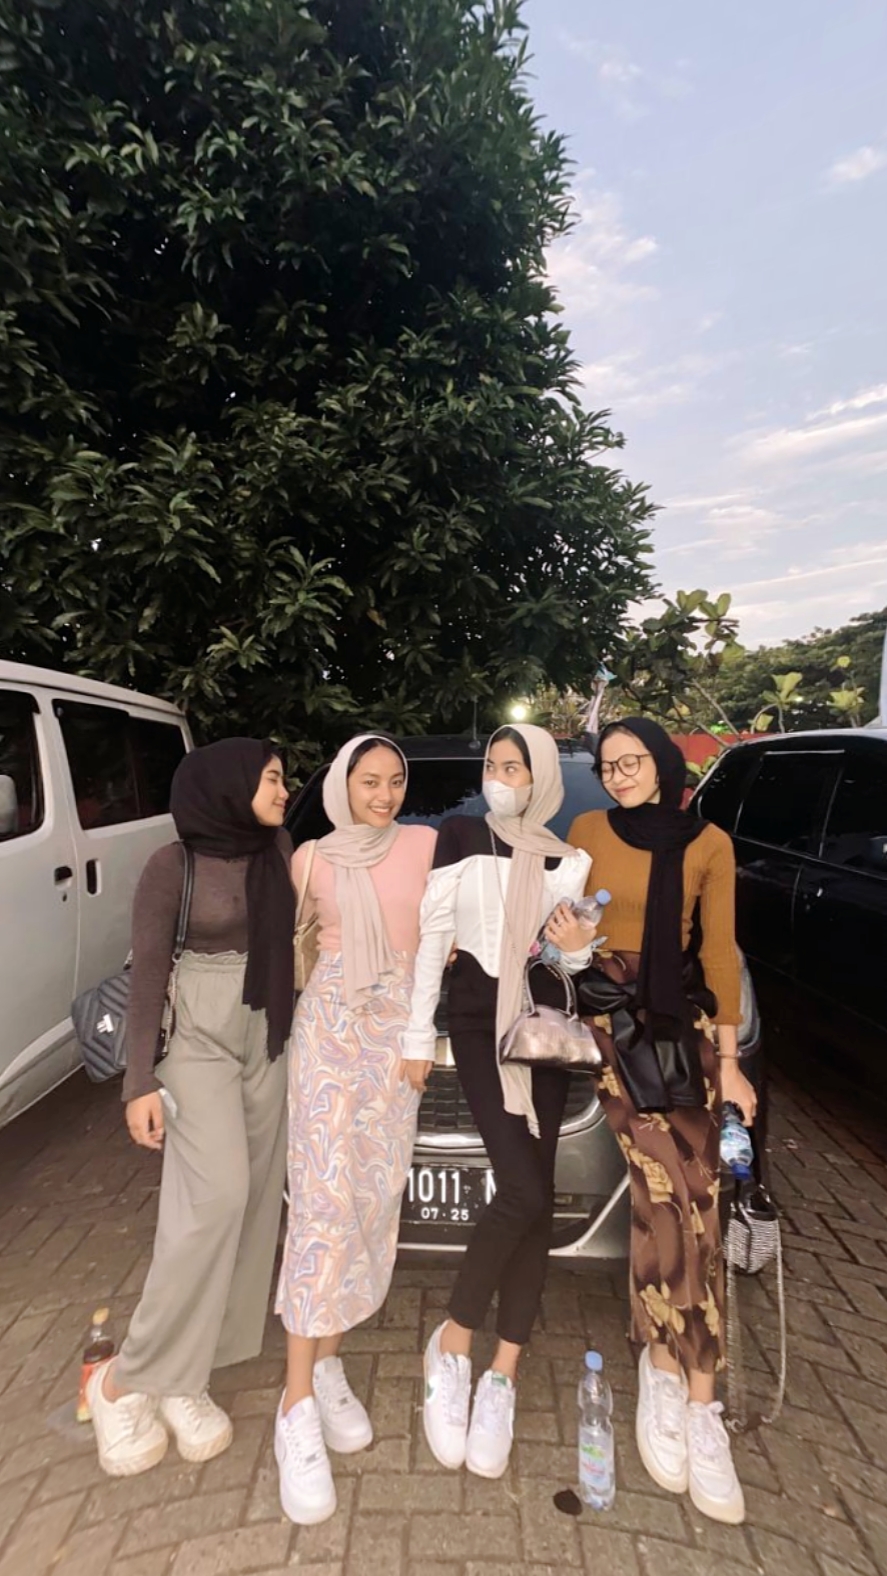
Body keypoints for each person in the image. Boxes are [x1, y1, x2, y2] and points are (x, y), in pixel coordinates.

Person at [567, 717, 757, 1527]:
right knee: (665, 1186)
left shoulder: (709, 843)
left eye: (631, 762)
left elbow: (718, 952)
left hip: (679, 1025)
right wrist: (566, 942)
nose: (618, 776)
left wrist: (731, 1062)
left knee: (699, 1193)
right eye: (607, 765)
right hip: (610, 1020)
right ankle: (667, 1366)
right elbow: (557, 926)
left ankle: (692, 1392)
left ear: (664, 764)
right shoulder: (585, 830)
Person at [87, 739, 295, 1477]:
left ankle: (188, 1373)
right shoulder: (172, 866)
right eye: (271, 779)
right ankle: (122, 1381)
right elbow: (148, 975)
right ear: (228, 787)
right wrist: (138, 1082)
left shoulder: (277, 851)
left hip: (267, 1025)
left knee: (256, 1198)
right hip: (196, 1029)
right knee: (215, 1198)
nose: (283, 790)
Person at [403, 724, 593, 1479]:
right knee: (523, 1189)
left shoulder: (568, 859)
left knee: (535, 1197)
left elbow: (567, 963)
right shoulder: (459, 835)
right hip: (479, 1020)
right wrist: (417, 1036)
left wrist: (576, 944)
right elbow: (432, 938)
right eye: (493, 764)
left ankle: (503, 1371)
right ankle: (453, 1340)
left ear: (539, 778)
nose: (499, 778)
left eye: (515, 767)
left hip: (539, 1029)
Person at [274, 734, 436, 1525]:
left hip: (396, 1038)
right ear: (342, 785)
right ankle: (294, 1404)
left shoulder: (425, 846)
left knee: (369, 1203)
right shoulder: (308, 859)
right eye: (368, 781)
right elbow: (287, 947)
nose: (383, 794)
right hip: (329, 1033)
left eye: (394, 780)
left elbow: (444, 939)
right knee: (321, 1206)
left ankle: (328, 1363)